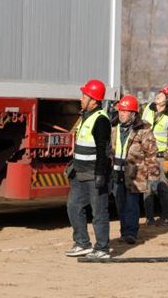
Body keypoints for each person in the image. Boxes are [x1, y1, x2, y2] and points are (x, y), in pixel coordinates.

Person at [64, 78, 112, 260]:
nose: (81, 98)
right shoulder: (86, 116)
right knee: (73, 206)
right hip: (80, 172)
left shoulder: (101, 120)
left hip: (94, 174)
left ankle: (102, 248)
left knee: (99, 211)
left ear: (94, 100)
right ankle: (82, 243)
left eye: (84, 95)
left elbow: (103, 150)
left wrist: (100, 174)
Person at [111, 94, 160, 245]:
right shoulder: (114, 127)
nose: (121, 114)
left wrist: (153, 177)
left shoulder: (143, 130)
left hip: (135, 174)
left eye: (125, 111)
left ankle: (131, 233)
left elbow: (151, 154)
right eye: (120, 110)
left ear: (133, 113)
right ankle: (124, 232)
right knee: (120, 205)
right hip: (117, 172)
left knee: (131, 204)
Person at [142, 85, 168, 226]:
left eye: (163, 94)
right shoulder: (145, 108)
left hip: (160, 156)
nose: (158, 95)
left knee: (162, 187)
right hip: (146, 154)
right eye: (159, 92)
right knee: (148, 188)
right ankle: (149, 218)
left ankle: (166, 217)